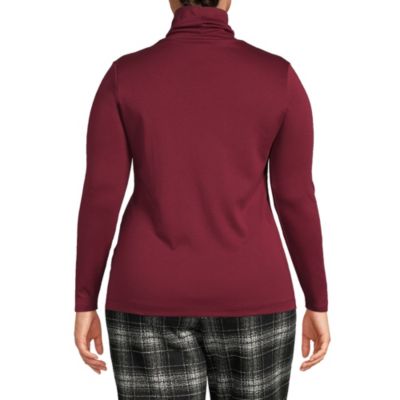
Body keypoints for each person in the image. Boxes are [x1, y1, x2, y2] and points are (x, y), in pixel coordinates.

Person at [74, 0, 331, 398]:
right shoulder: (277, 77)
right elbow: (295, 198)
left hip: (147, 294)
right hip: (255, 293)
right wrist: (317, 300)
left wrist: (84, 300)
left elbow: (101, 195)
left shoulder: (125, 77)